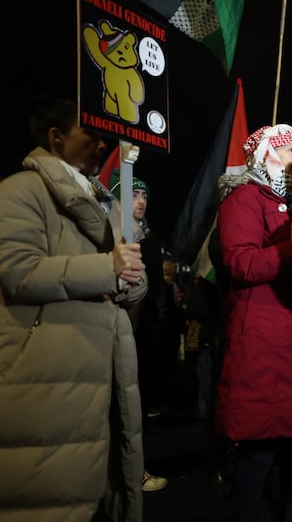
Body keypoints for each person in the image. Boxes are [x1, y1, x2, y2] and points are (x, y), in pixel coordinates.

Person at [0, 97, 147, 520]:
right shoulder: (19, 191)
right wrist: (108, 268)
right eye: (91, 135)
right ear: (56, 137)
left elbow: (124, 284)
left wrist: (133, 277)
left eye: (105, 136)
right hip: (45, 377)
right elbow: (16, 271)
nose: (102, 145)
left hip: (102, 370)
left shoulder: (107, 204)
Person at [214, 124, 292, 521]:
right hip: (261, 337)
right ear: (267, 154)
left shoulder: (291, 202)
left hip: (288, 333)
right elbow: (241, 262)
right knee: (259, 449)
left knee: (286, 449)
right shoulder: (244, 198)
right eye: (291, 153)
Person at [112, 172, 172, 492]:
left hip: (143, 331)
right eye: (134, 194)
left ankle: (134, 469)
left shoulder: (148, 237)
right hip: (120, 330)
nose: (141, 200)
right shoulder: (115, 234)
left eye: (145, 196)